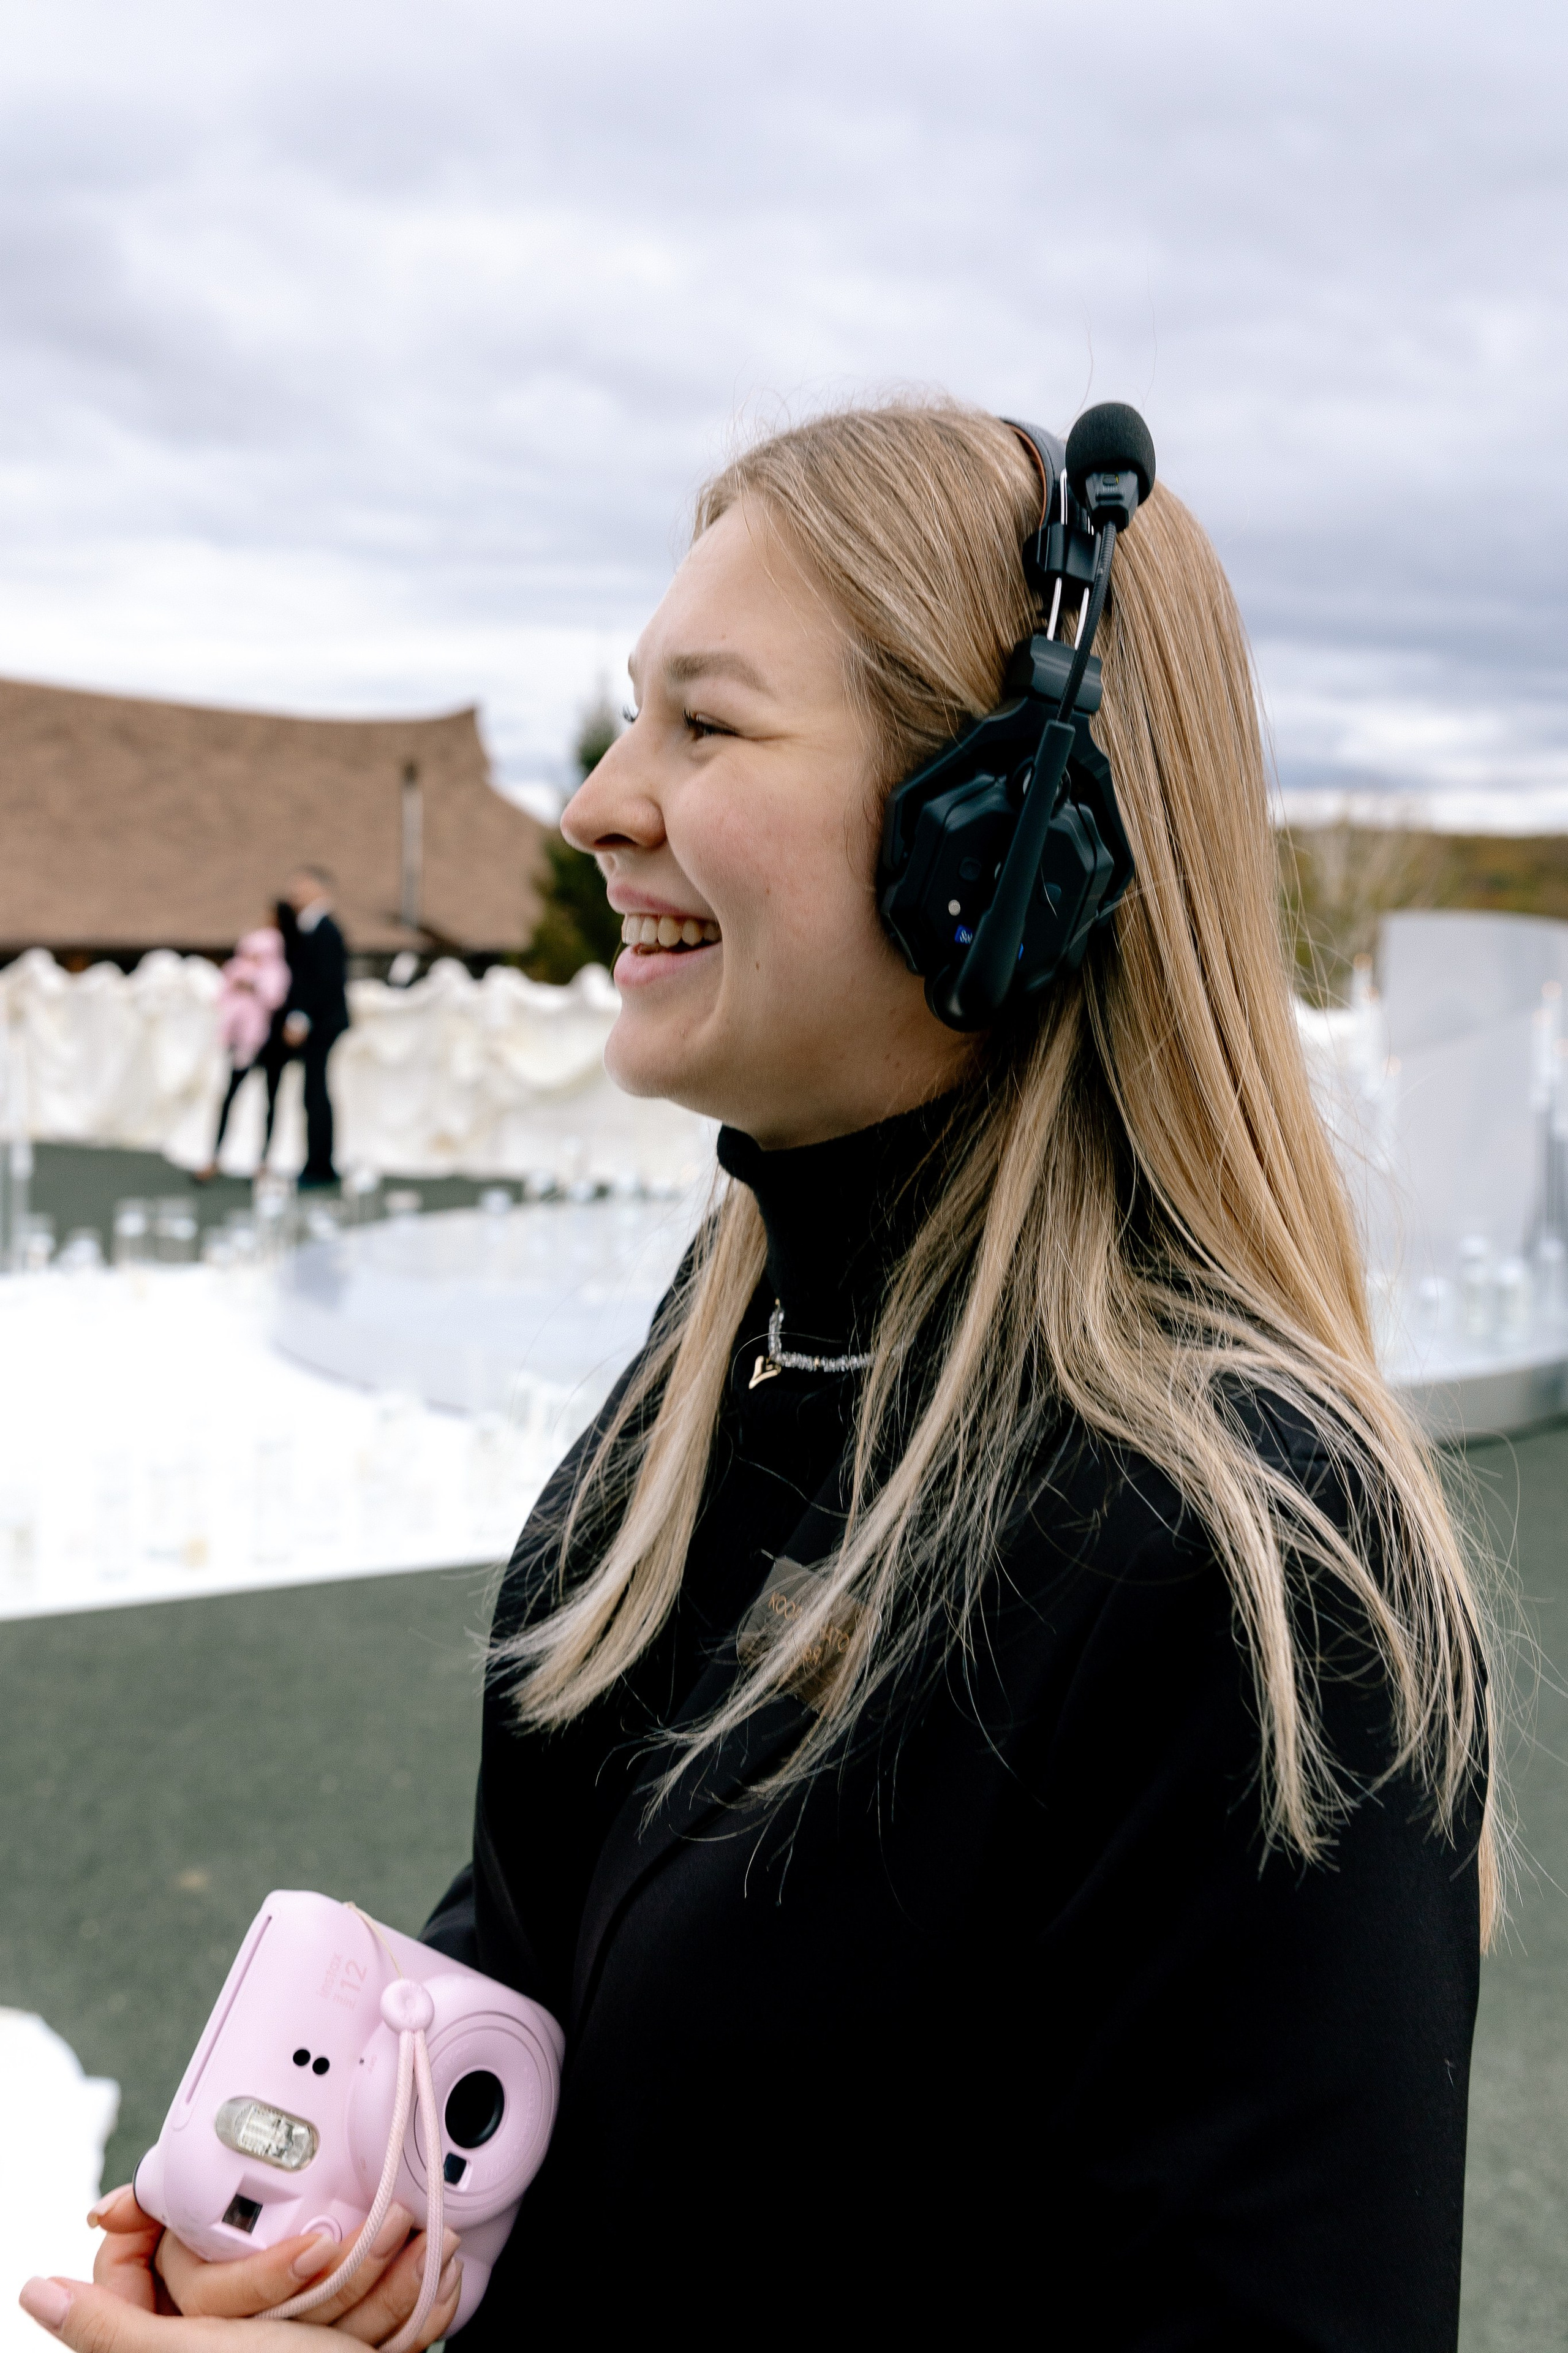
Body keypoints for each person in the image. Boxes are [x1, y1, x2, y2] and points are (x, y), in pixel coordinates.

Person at [24, 402, 1494, 2352]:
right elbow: (550, 1973)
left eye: (703, 726)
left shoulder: (1248, 1570)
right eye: (634, 717)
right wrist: (333, 2250)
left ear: (1013, 838)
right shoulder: (716, 1370)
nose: (599, 803)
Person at [196, 916, 292, 1182]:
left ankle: (264, 1161)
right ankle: (215, 1155)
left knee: (271, 1100)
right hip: (241, 1043)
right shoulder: (237, 970)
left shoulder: (277, 972)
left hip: (271, 1045)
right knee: (230, 1096)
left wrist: (255, 987)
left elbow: (276, 998)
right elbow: (222, 998)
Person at [277, 866, 350, 1189]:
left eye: (301, 886)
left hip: (323, 1023)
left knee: (316, 1094)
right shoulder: (309, 928)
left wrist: (301, 1017)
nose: (295, 893)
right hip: (321, 1021)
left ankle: (320, 1165)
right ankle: (318, 1162)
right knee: (313, 1093)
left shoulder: (326, 930)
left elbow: (322, 981)